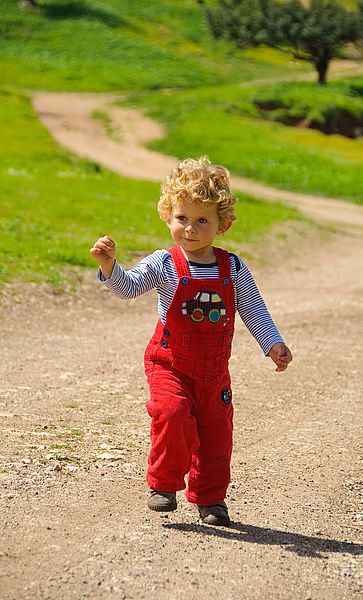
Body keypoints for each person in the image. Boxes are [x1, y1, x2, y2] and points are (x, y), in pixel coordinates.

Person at [90, 156, 293, 527]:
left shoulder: (232, 268)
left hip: (214, 372)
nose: (190, 229)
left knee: (217, 435)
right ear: (168, 215)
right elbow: (129, 287)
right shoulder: (164, 263)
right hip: (170, 363)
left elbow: (253, 309)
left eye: (202, 221)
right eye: (182, 218)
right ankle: (164, 485)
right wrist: (109, 267)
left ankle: (211, 500)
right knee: (172, 413)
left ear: (223, 224)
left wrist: (273, 344)